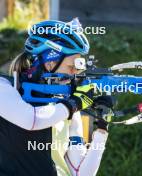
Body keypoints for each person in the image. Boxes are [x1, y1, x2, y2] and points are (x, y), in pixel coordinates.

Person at [0, 18, 111, 176]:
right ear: (50, 62)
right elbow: (30, 120)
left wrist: (102, 129)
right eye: (71, 66)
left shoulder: (66, 105)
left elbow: (81, 173)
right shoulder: (4, 87)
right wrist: (74, 104)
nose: (76, 73)